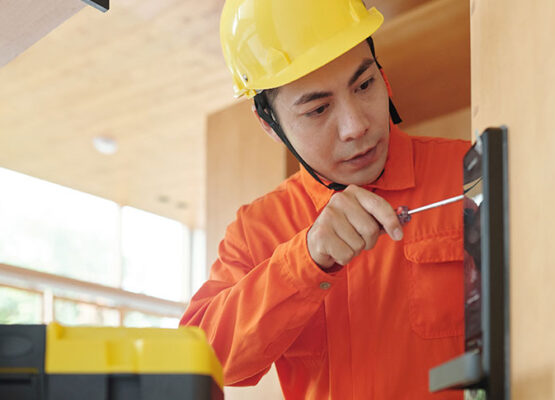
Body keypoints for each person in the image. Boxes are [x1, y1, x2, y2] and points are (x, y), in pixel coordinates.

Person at [181, 1, 470, 398]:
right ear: (270, 124)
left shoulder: (467, 171)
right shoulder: (257, 229)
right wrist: (304, 262)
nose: (357, 126)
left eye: (364, 85)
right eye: (318, 109)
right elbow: (200, 361)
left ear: (382, 76)